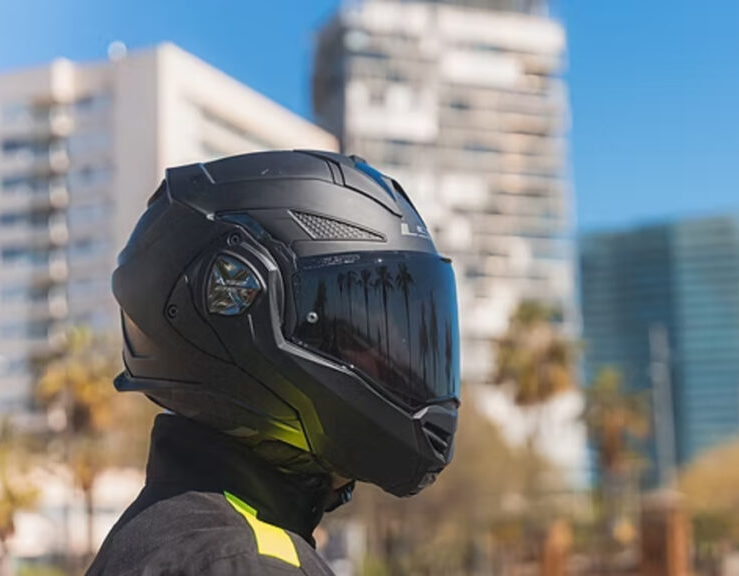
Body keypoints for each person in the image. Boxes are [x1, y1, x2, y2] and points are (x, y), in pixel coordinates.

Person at [87, 150, 460, 575]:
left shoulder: (159, 536)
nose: (391, 361)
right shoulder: (246, 561)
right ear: (238, 305)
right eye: (358, 335)